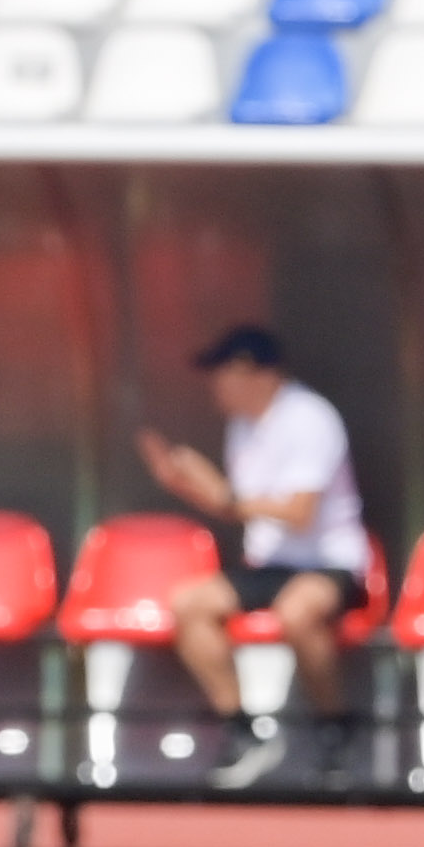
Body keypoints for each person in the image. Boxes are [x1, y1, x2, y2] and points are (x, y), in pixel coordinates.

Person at [137, 324, 372, 792]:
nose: (214, 386)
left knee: (298, 613)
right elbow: (239, 507)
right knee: (189, 603)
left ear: (249, 372)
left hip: (329, 562)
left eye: (221, 373)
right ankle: (243, 731)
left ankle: (335, 728)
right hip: (269, 563)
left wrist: (223, 495)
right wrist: (185, 484)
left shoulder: (309, 418)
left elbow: (299, 512)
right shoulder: (242, 426)